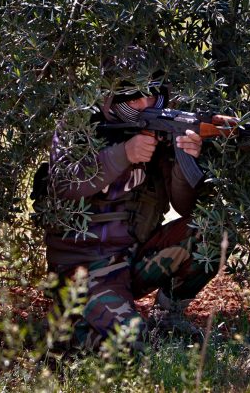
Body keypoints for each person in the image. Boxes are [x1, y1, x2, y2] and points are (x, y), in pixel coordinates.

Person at [34, 75, 216, 352]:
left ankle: (166, 320)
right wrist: (124, 154)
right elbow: (61, 184)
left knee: (214, 230)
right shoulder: (79, 123)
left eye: (152, 95)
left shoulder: (162, 128)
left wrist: (185, 159)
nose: (145, 104)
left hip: (133, 257)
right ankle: (65, 336)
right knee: (131, 342)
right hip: (85, 267)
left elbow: (185, 206)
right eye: (134, 97)